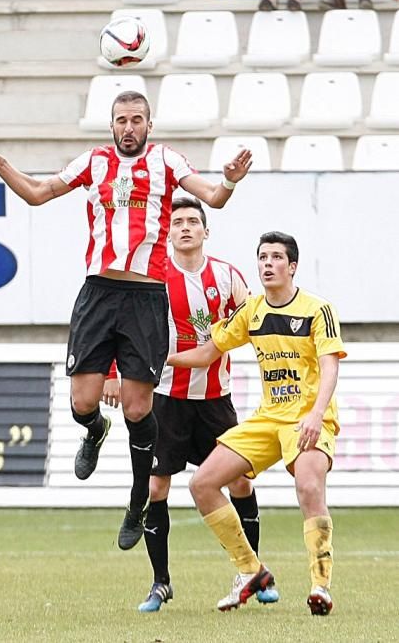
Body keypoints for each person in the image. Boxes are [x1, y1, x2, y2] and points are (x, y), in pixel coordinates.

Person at [0, 91, 253, 552]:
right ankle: (94, 429)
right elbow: (39, 194)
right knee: (82, 401)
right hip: (99, 292)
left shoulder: (167, 161)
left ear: (149, 124)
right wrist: (2, 164)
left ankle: (138, 498)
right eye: (121, 119)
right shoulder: (93, 161)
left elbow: (213, 198)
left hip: (145, 296)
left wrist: (231, 182)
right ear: (111, 125)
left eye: (136, 119)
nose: (128, 127)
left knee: (140, 409)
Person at [167, 231, 346, 615]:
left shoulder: (317, 309)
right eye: (262, 257)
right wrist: (158, 360)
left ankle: (321, 586)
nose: (267, 264)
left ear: (292, 266)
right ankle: (251, 570)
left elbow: (331, 366)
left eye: (276, 257)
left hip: (308, 418)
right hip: (268, 418)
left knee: (309, 486)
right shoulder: (251, 310)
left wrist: (316, 414)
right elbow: (207, 354)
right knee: (202, 483)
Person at [126, 196, 278, 612]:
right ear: (168, 232)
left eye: (194, 221)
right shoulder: (152, 277)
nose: (186, 227)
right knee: (157, 487)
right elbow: (127, 326)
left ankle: (251, 573)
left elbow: (255, 319)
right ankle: (160, 583)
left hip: (215, 399)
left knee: (240, 482)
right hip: (167, 399)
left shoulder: (227, 276)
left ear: (206, 231)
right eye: (178, 222)